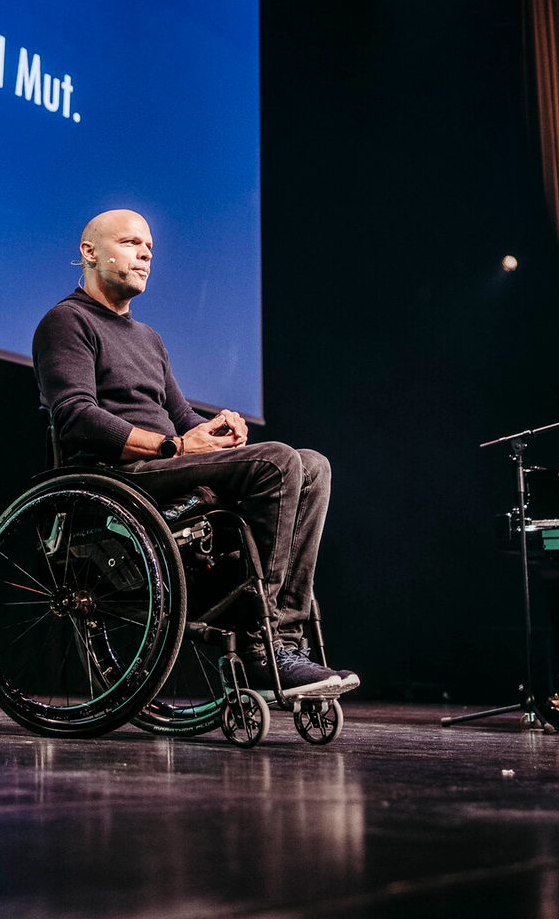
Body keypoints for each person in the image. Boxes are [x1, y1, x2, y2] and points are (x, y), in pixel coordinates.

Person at [31, 207, 359, 702]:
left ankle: (284, 642)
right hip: (118, 478)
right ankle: (259, 647)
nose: (145, 254)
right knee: (276, 462)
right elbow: (76, 416)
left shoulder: (149, 339)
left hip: (165, 466)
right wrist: (178, 446)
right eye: (130, 243)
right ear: (90, 252)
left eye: (149, 248)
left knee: (312, 465)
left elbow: (182, 417)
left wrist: (216, 429)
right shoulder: (67, 321)